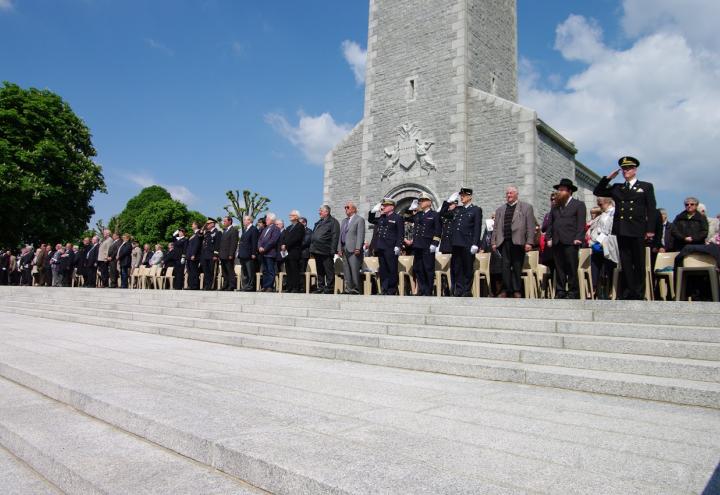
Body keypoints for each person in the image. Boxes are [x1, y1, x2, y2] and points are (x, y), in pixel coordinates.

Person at [593, 156, 657, 300]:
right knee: (626, 262)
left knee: (639, 262)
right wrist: (608, 178)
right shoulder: (618, 188)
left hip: (638, 228)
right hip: (622, 229)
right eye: (623, 169)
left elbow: (651, 209)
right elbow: (598, 191)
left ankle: (639, 292)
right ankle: (629, 290)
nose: (625, 171)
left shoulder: (645, 186)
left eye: (628, 168)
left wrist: (650, 229)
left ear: (635, 169)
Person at [491, 186, 536, 298]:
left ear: (517, 194)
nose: (509, 195)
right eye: (507, 193)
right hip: (504, 241)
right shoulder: (500, 210)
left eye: (511, 193)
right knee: (505, 266)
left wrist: (529, 242)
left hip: (518, 241)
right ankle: (506, 289)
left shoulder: (526, 207)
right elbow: (495, 228)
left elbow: (530, 226)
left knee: (516, 265)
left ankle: (516, 290)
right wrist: (493, 242)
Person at [546, 178, 586, 299]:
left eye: (562, 190)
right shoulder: (555, 206)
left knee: (571, 267)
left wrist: (579, 237)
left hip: (571, 240)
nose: (559, 192)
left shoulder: (578, 205)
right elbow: (550, 224)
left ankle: (573, 292)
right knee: (559, 268)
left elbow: (581, 223)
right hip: (557, 241)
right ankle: (560, 290)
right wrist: (549, 237)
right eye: (559, 190)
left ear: (569, 191)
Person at [440, 187, 482, 297]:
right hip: (456, 243)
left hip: (468, 243)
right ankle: (459, 289)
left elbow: (477, 228)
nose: (461, 197)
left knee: (467, 267)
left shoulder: (476, 210)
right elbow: (442, 214)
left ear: (470, 196)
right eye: (461, 195)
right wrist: (448, 202)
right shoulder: (458, 209)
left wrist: (475, 244)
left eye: (463, 195)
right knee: (457, 267)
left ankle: (467, 290)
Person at [368, 199, 405, 295]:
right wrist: (373, 211)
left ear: (392, 207)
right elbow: (371, 220)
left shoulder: (397, 218)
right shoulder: (382, 218)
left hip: (391, 247)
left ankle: (391, 289)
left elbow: (401, 234)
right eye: (383, 205)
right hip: (381, 247)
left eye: (386, 205)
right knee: (383, 269)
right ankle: (384, 289)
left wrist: (398, 246)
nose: (383, 207)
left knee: (391, 269)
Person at [406, 194, 440, 296]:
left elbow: (438, 230)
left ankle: (428, 290)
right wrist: (412, 208)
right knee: (418, 268)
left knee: (428, 268)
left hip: (428, 245)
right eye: (420, 200)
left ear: (429, 202)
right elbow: (406, 218)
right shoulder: (418, 215)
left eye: (423, 200)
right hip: (417, 246)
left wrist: (435, 243)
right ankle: (422, 289)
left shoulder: (435, 215)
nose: (420, 202)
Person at [588, 197, 616, 299]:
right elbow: (598, 228)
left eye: (601, 205)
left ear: (608, 202)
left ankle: (608, 289)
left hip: (609, 243)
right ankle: (595, 287)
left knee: (608, 266)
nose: (600, 207)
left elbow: (609, 229)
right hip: (600, 243)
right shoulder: (603, 214)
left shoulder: (613, 213)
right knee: (595, 262)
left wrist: (600, 240)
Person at [310, 205, 341, 294]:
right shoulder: (318, 222)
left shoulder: (333, 222)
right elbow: (314, 235)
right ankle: (321, 287)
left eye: (321, 211)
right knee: (319, 270)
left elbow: (335, 237)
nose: (319, 212)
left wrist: (332, 250)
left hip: (326, 250)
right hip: (316, 250)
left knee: (328, 270)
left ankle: (330, 288)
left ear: (327, 212)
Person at [337, 202, 366, 295]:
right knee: (346, 270)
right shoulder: (344, 221)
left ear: (354, 209)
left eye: (347, 207)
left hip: (354, 249)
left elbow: (360, 235)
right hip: (344, 248)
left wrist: (358, 248)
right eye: (345, 207)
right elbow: (340, 235)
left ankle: (356, 288)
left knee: (354, 269)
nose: (346, 209)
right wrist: (339, 248)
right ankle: (348, 288)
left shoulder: (359, 220)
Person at [281, 210, 306, 293]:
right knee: (288, 269)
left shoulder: (300, 226)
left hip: (295, 251)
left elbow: (297, 238)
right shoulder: (288, 227)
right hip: (287, 252)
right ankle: (289, 287)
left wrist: (286, 245)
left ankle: (295, 287)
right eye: (290, 215)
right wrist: (283, 244)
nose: (290, 216)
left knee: (294, 269)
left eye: (292, 215)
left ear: (296, 217)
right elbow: (284, 238)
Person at [257, 212, 281, 292]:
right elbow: (260, 239)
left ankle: (270, 286)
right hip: (263, 253)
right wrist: (260, 247)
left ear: (272, 220)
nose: (265, 220)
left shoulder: (276, 228)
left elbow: (273, 241)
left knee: (270, 270)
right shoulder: (265, 229)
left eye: (267, 219)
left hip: (270, 253)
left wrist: (265, 248)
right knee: (264, 270)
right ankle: (265, 285)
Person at [237, 216, 258, 291]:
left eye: (245, 220)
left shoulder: (254, 229)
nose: (244, 221)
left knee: (250, 271)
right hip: (242, 254)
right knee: (244, 271)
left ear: (250, 221)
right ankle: (245, 286)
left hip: (249, 254)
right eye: (244, 220)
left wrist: (253, 253)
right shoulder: (245, 229)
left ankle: (250, 286)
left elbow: (254, 242)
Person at [218, 217, 240, 291]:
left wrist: (231, 254)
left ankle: (231, 285)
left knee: (230, 270)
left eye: (225, 221)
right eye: (223, 221)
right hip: (222, 254)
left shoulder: (234, 230)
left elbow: (234, 243)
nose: (223, 222)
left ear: (230, 221)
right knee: (224, 271)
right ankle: (225, 284)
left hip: (228, 255)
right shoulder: (224, 231)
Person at [200, 218, 221, 290]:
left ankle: (211, 286)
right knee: (206, 271)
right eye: (206, 224)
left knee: (211, 271)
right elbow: (199, 235)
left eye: (208, 224)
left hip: (212, 256)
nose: (207, 225)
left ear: (212, 224)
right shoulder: (207, 232)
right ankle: (206, 285)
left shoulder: (217, 232)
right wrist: (203, 228)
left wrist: (216, 255)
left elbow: (217, 245)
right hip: (205, 255)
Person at [185, 222, 202, 290]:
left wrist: (193, 254)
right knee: (189, 271)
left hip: (193, 256)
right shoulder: (194, 234)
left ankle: (195, 285)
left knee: (194, 271)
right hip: (189, 255)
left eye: (193, 224)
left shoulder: (199, 233)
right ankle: (190, 285)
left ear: (196, 225)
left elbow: (197, 245)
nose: (191, 225)